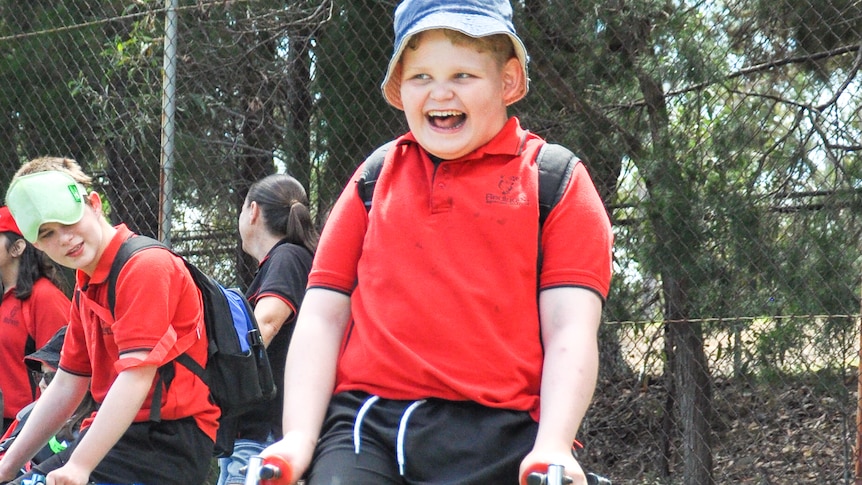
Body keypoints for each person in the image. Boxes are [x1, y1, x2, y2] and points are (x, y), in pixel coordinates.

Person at [259, 1, 614, 484]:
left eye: (463, 75)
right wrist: (299, 437)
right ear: (399, 86)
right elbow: (322, 314)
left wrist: (553, 444)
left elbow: (570, 330)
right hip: (368, 427)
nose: (439, 92)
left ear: (508, 81)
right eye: (420, 76)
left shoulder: (554, 180)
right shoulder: (373, 178)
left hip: (500, 433)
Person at [0, 158, 219, 485]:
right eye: (47, 234)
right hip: (114, 437)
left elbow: (136, 378)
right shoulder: (86, 284)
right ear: (35, 245)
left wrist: (80, 466)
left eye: (69, 220)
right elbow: (66, 385)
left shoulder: (145, 266)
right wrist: (6, 465)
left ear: (94, 204)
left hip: (164, 442)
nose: (64, 239)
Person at [217, 174, 318, 485]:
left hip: (264, 436)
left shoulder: (288, 256)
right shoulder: (289, 258)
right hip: (257, 433)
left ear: (253, 211)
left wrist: (219, 376)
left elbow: (267, 322)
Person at [0, 206, 70, 433]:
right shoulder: (5, 295)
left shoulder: (45, 298)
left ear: (17, 247)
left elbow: (61, 376)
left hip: (26, 428)